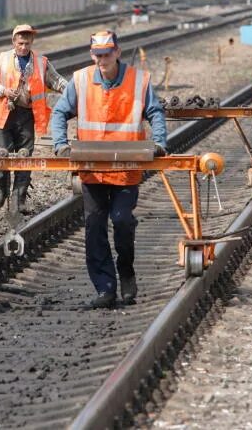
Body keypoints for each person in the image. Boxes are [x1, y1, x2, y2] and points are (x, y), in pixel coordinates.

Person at [51, 30, 167, 308]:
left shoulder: (138, 80)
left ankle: (126, 271)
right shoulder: (80, 81)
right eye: (97, 55)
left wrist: (160, 143)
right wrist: (60, 145)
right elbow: (59, 113)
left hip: (126, 168)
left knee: (122, 220)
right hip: (92, 170)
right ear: (92, 55)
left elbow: (155, 112)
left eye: (107, 54)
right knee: (94, 226)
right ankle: (105, 288)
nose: (102, 59)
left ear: (117, 51)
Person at [0, 24, 68, 213]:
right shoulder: (3, 59)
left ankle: (19, 198)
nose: (24, 47)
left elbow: (57, 81)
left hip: (27, 115)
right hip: (4, 113)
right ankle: (0, 191)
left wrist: (74, 90)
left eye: (27, 43)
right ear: (14, 42)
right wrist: (4, 91)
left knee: (25, 157)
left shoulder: (41, 62)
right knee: (2, 154)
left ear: (32, 42)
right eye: (20, 43)